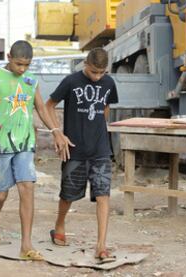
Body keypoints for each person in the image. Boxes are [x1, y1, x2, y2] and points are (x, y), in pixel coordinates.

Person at [0, 40, 66, 261]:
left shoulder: (30, 81)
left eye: (26, 64)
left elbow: (41, 107)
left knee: (27, 187)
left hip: (24, 141)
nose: (22, 69)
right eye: (18, 64)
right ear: (8, 57)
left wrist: (56, 131)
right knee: (1, 194)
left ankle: (26, 244)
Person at [45, 48, 119, 263]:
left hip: (100, 150)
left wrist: (97, 128)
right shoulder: (71, 81)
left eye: (101, 72)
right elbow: (49, 106)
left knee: (103, 195)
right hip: (74, 149)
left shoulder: (109, 83)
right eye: (94, 71)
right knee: (68, 194)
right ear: (85, 64)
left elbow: (105, 108)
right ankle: (59, 225)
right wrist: (57, 133)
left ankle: (101, 245)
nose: (97, 77)